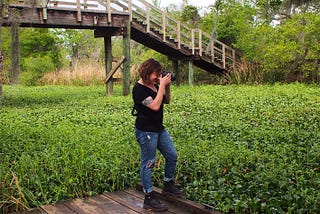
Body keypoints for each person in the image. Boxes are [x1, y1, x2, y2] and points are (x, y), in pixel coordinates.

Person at [132, 58, 185, 212]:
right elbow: (155, 106)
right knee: (149, 163)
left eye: (160, 74)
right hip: (146, 131)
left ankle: (168, 185)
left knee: (172, 155)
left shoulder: (155, 84)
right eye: (156, 74)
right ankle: (148, 197)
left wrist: (166, 86)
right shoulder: (139, 89)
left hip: (158, 128)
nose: (158, 77)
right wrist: (161, 84)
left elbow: (166, 100)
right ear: (147, 72)